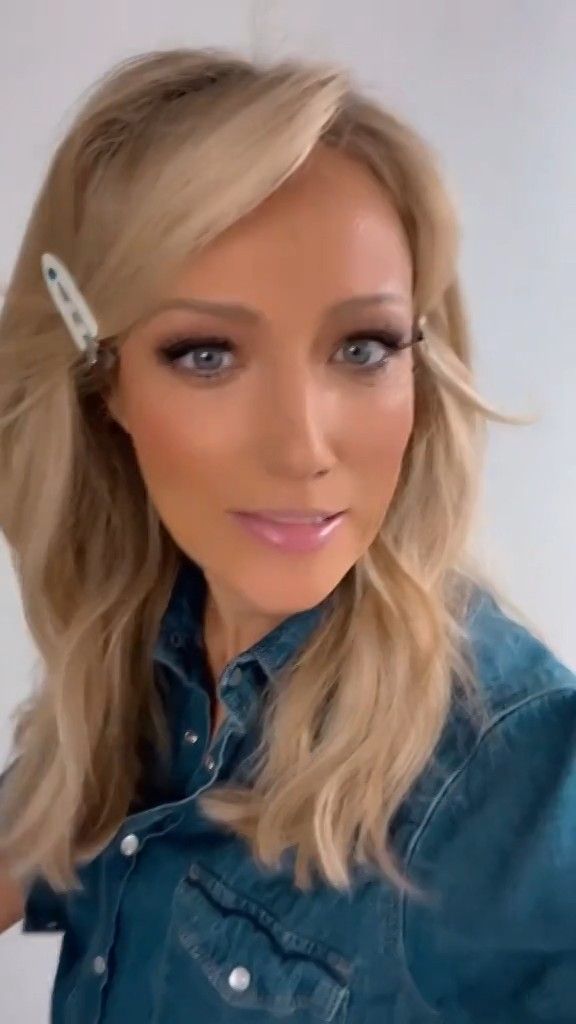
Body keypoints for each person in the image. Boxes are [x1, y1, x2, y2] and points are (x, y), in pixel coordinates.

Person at [0, 45, 575, 1024]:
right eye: (207, 354)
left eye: (363, 347)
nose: (303, 447)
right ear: (105, 386)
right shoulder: (152, 650)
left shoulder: (519, 774)